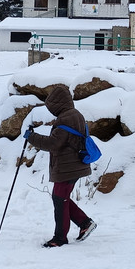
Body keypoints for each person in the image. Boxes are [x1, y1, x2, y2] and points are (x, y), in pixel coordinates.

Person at [23, 84, 98, 248]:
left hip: (68, 167)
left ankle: (60, 238)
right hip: (73, 165)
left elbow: (53, 143)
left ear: (57, 103)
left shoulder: (66, 118)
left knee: (59, 199)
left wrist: (31, 136)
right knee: (60, 198)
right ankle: (85, 223)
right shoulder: (74, 114)